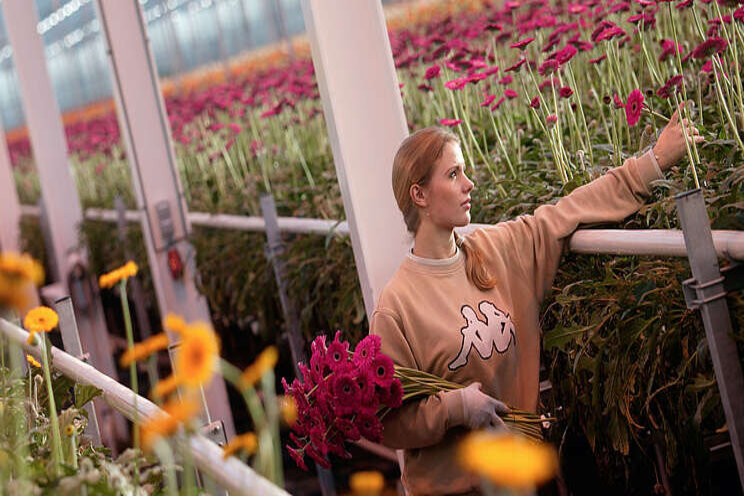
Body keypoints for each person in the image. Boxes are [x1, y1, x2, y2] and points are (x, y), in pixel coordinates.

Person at [370, 106, 703, 495]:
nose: (469, 183)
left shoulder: (499, 250)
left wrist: (654, 162)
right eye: (454, 173)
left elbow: (571, 210)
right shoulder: (397, 305)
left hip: (523, 478)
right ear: (419, 194)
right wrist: (454, 409)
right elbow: (389, 422)